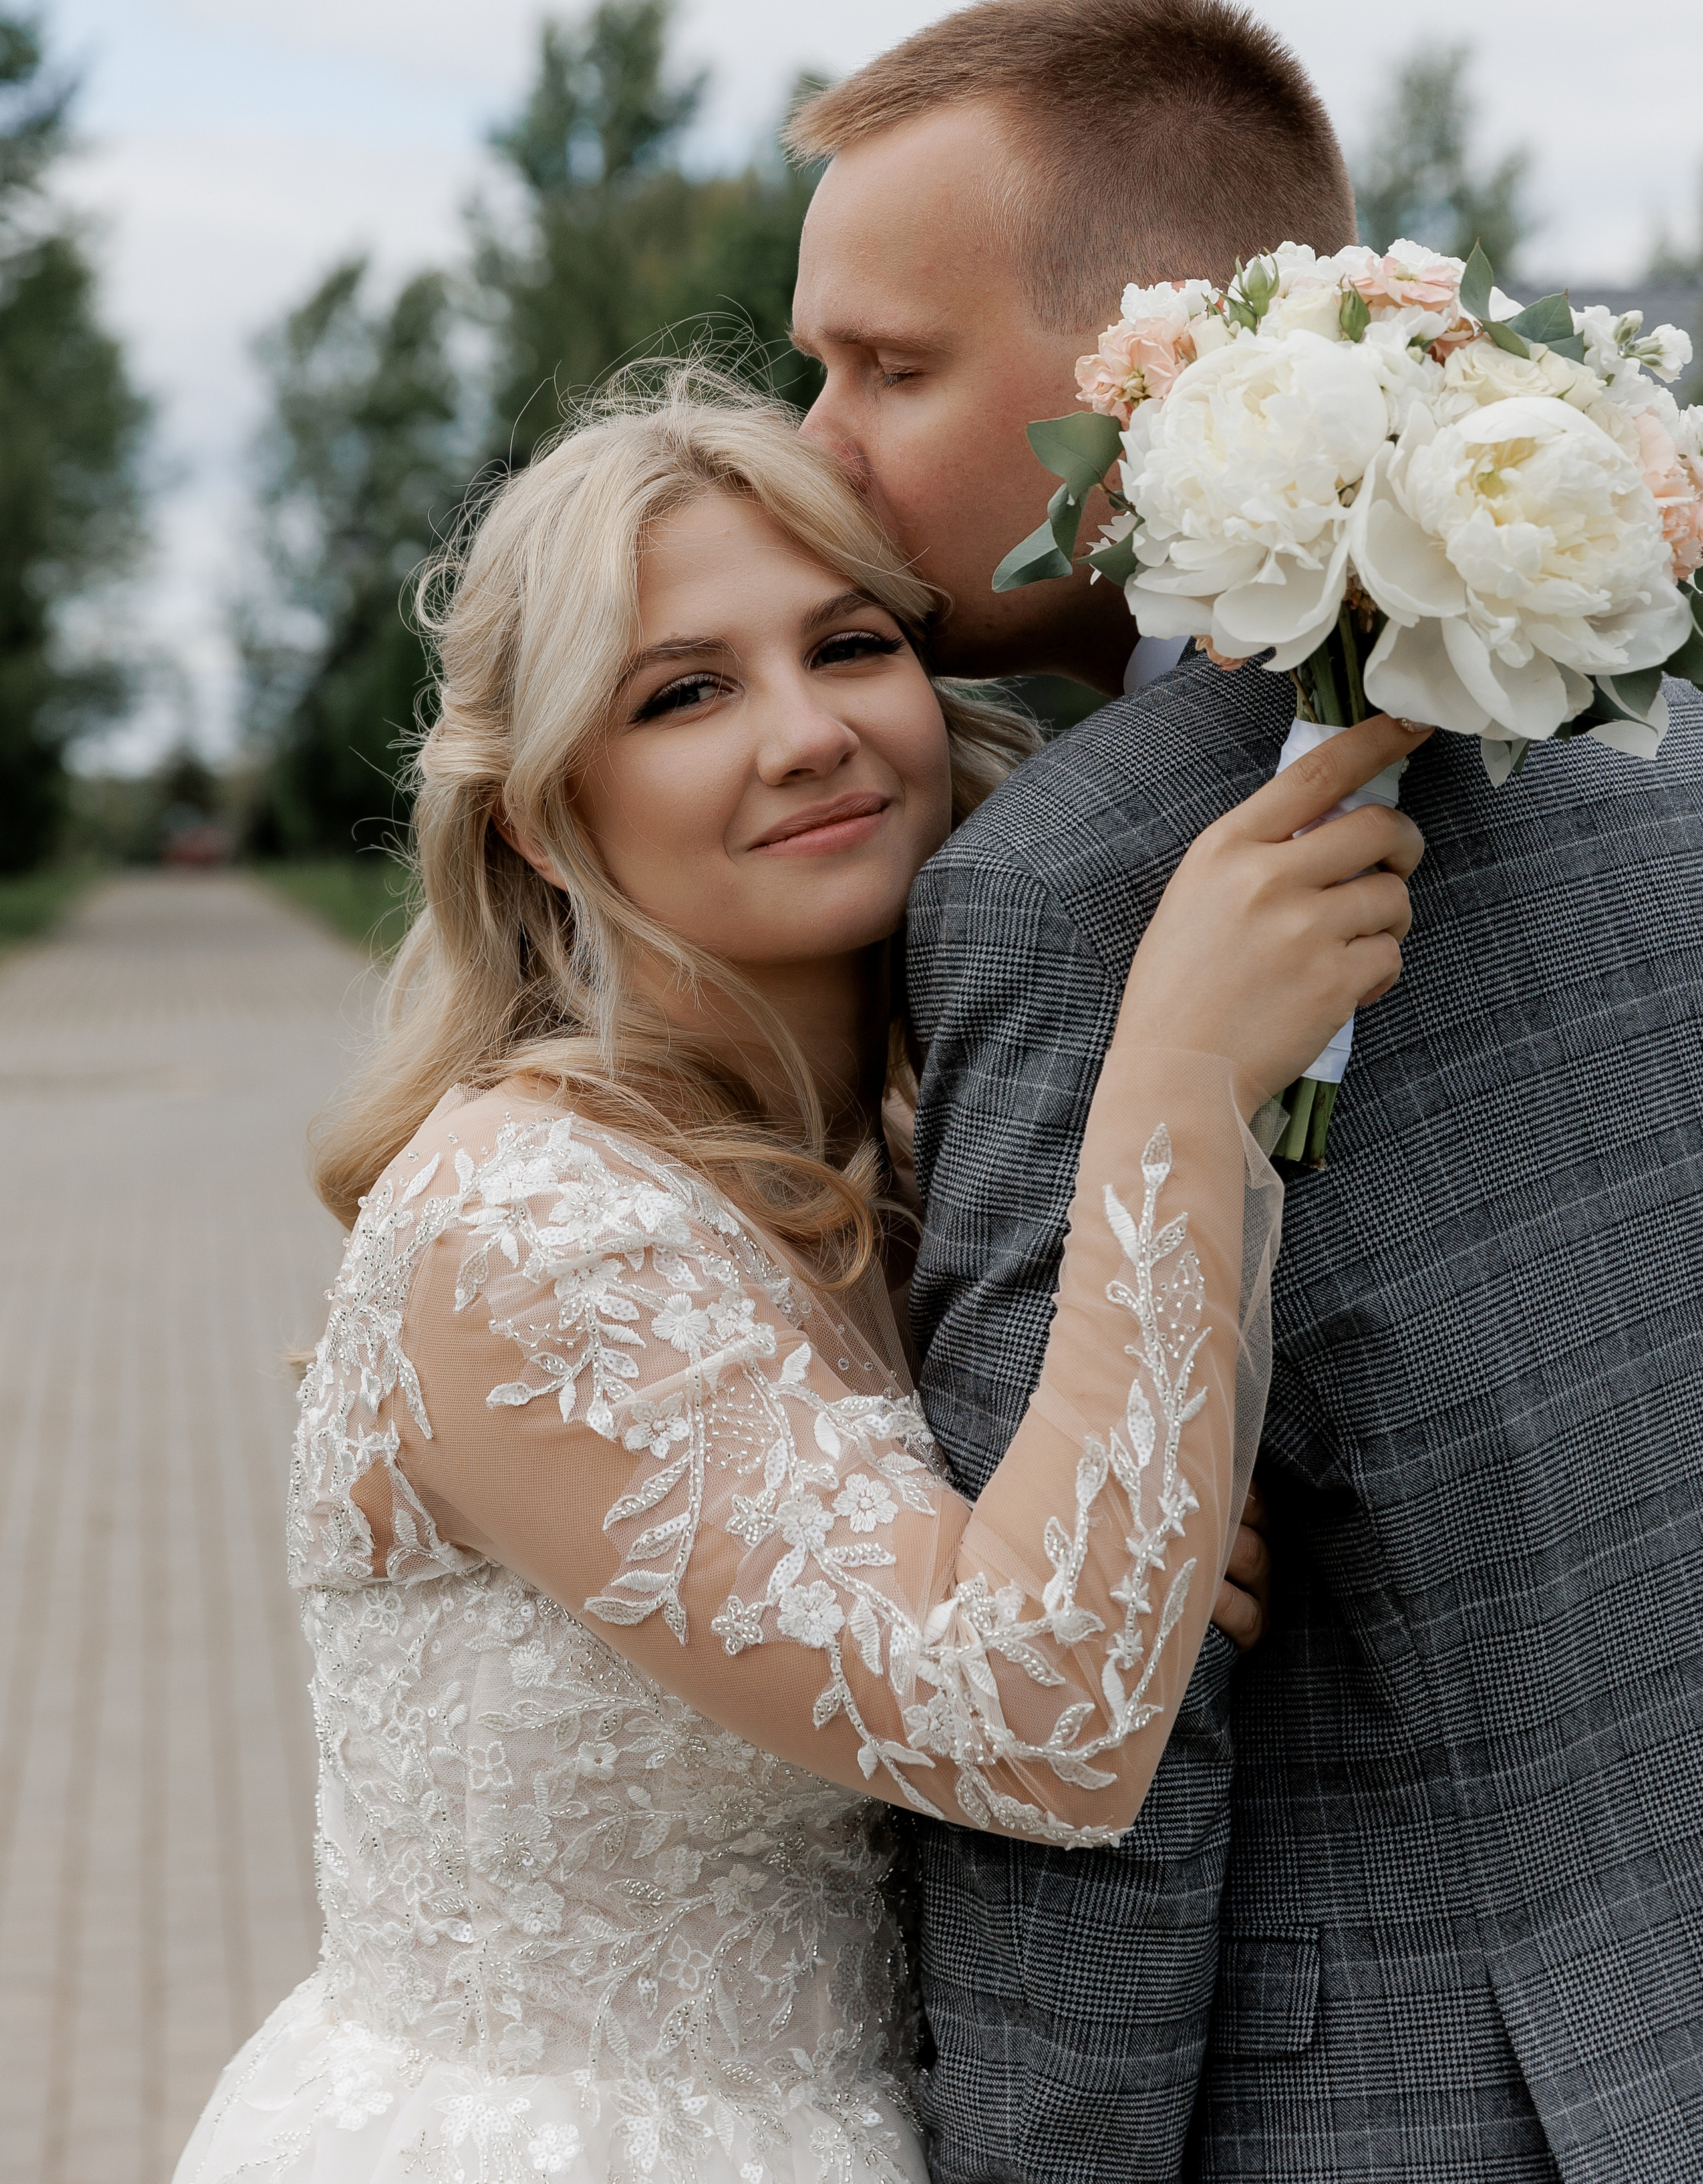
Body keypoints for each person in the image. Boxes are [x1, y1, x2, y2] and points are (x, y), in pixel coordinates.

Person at [173, 374, 1424, 2184]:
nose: (809, 732)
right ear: (538, 817)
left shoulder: (922, 1158)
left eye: (849, 647)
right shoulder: (526, 1226)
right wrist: (1181, 1073)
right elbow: (1044, 1716)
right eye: (685, 692)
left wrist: (1120, 1514)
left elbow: (1067, 1581)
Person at [787, 0, 1703, 2183]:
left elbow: (1098, 1715)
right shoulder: (1657, 766)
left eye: (888, 369)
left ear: (1146, 375)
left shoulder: (1066, 894)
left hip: (1385, 2098)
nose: (812, 438)